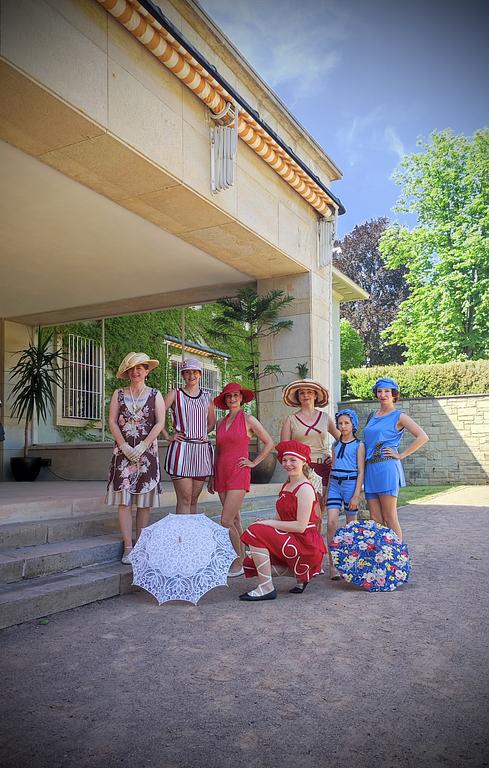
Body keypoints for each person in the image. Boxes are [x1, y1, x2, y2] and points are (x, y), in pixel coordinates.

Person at [239, 441, 327, 601]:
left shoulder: (305, 488)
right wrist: (266, 522)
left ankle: (267, 588)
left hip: (305, 543)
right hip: (292, 538)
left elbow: (300, 526)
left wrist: (267, 525)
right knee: (253, 561)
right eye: (285, 460)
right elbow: (280, 518)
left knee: (254, 531)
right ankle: (301, 575)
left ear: (303, 461)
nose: (287, 464)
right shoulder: (287, 485)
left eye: (293, 460)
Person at [209, 382, 274, 577]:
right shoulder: (220, 423)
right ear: (225, 400)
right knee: (235, 519)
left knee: (225, 520)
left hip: (239, 472)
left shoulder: (248, 419)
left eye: (235, 395)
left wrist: (254, 463)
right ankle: (244, 558)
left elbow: (269, 443)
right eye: (229, 396)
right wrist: (212, 475)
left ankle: (236, 563)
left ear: (241, 398)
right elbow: (218, 450)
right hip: (221, 473)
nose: (232, 399)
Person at [106, 352, 166, 564]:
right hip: (123, 454)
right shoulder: (119, 394)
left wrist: (143, 445)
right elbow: (112, 421)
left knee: (143, 502)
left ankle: (140, 546)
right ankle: (128, 547)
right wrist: (123, 445)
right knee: (124, 501)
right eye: (132, 368)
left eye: (140, 367)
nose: (136, 371)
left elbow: (160, 423)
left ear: (147, 371)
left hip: (146, 454)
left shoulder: (155, 394)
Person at [364, 377, 429, 541]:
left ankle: (398, 555)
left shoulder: (399, 416)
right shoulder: (372, 416)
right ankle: (381, 554)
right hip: (370, 469)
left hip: (387, 468)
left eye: (387, 391)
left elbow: (422, 437)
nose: (383, 394)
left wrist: (401, 455)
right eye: (379, 391)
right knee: (375, 518)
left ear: (394, 394)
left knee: (389, 517)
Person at [163, 358, 215, 514]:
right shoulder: (175, 394)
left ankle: (191, 530)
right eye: (187, 372)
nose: (191, 375)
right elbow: (155, 415)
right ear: (183, 375)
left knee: (193, 500)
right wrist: (167, 435)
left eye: (195, 372)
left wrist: (201, 434)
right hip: (181, 450)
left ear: (200, 374)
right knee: (184, 499)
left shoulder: (207, 397)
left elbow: (211, 423)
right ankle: (181, 530)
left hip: (201, 451)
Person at [280, 379, 340, 506]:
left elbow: (342, 440)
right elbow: (283, 450)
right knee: (305, 508)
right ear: (298, 397)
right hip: (302, 469)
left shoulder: (325, 418)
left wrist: (334, 457)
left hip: (323, 466)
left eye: (309, 392)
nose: (305, 395)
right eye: (302, 393)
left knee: (320, 508)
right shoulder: (291, 420)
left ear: (315, 395)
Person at [326, 408, 365, 580]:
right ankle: (333, 565)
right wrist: (327, 491)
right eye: (340, 423)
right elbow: (332, 467)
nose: (343, 426)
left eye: (346, 423)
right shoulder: (335, 445)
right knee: (331, 523)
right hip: (335, 484)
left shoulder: (359, 445)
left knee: (351, 526)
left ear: (353, 424)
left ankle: (351, 563)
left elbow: (361, 471)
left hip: (350, 484)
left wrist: (356, 495)